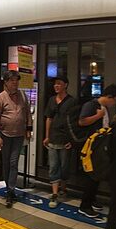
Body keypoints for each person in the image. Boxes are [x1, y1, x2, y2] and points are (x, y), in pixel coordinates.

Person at [77, 84, 116, 218]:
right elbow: (82, 122)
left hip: (99, 147)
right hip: (90, 147)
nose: (114, 103)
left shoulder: (104, 108)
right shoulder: (91, 105)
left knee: (97, 175)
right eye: (114, 100)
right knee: (91, 176)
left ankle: (92, 200)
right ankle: (85, 206)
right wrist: (98, 116)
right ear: (109, 97)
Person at [0, 70, 33, 208]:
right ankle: (8, 187)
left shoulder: (23, 95)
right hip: (5, 135)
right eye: (12, 80)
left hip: (19, 135)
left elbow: (27, 112)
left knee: (13, 162)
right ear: (6, 82)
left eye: (16, 80)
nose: (15, 82)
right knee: (6, 163)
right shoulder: (1, 97)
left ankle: (11, 190)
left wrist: (29, 129)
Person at [42, 76, 78, 209]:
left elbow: (74, 123)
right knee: (53, 166)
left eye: (59, 84)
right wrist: (47, 136)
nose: (56, 86)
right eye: (55, 84)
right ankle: (55, 193)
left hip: (65, 139)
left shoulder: (72, 101)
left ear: (66, 85)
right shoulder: (51, 100)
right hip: (53, 138)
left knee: (64, 165)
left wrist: (71, 139)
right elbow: (48, 119)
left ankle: (64, 188)